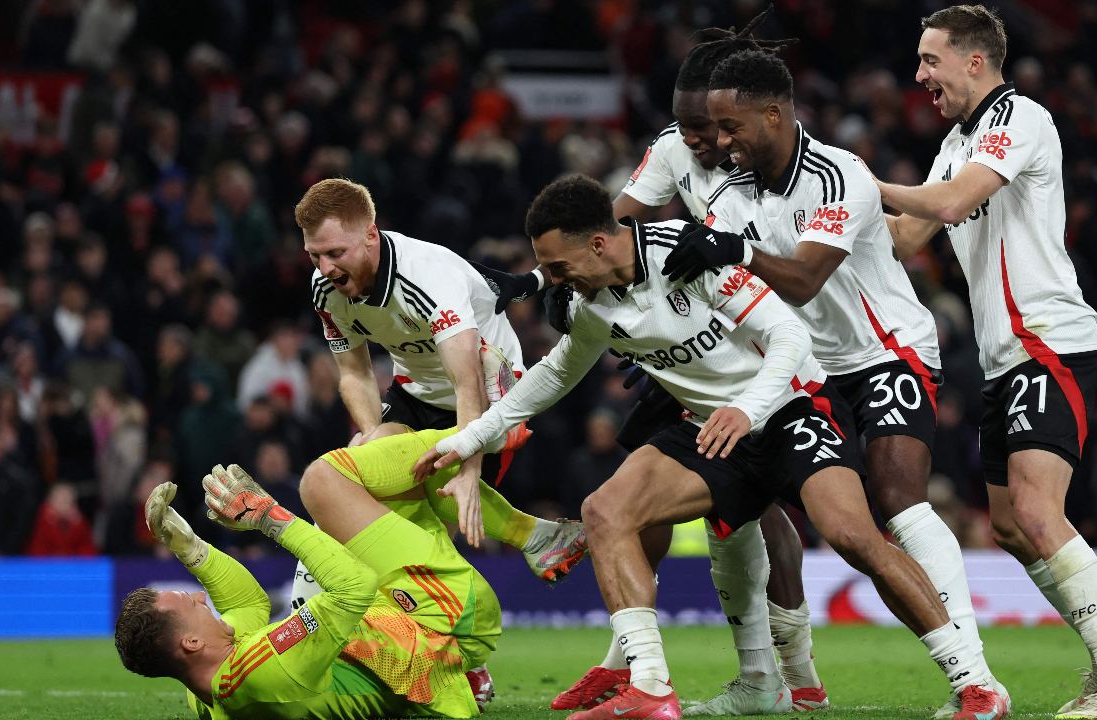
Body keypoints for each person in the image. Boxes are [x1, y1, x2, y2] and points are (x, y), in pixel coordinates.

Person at [418, 175, 1009, 720]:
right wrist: (467, 438)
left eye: (557, 264)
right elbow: (554, 375)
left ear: (599, 243)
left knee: (855, 537)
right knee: (606, 511)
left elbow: (788, 335)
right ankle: (649, 686)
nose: (553, 277)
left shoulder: (685, 254)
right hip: (709, 430)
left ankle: (975, 682)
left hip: (787, 409)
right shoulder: (588, 303)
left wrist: (746, 409)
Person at [475, 14, 828, 713]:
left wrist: (724, 253)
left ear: (739, 117)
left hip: (763, 337)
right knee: (635, 497)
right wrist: (555, 283)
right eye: (691, 128)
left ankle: (792, 670)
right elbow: (604, 225)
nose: (703, 143)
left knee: (767, 513)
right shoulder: (672, 151)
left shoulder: (775, 162)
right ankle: (631, 663)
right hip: (681, 342)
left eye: (710, 129)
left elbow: (794, 269)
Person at [654, 38, 995, 719]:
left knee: (897, 502)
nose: (719, 142)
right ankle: (777, 679)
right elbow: (710, 273)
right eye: (714, 128)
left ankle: (975, 675)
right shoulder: (730, 194)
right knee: (738, 507)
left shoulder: (841, 175)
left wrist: (734, 248)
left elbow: (806, 280)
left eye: (731, 126)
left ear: (774, 114)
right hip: (802, 370)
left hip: (885, 353)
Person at [870, 5, 1097, 717]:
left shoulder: (1019, 117)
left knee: (1034, 508)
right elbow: (908, 236)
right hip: (1004, 359)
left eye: (929, 60)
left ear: (975, 60)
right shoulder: (955, 142)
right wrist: (830, 198)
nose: (919, 75)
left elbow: (958, 199)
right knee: (1004, 524)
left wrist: (864, 179)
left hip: (1047, 340)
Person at [294, 177, 586, 608]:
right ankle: (539, 536)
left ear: (371, 236)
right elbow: (354, 373)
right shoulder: (326, 288)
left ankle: (471, 652)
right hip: (415, 389)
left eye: (336, 253)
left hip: (487, 394)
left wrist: (469, 471)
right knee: (377, 490)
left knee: (425, 534)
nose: (326, 268)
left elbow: (467, 380)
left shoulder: (427, 278)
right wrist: (375, 441)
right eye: (315, 255)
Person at [115, 448, 500, 719]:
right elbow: (354, 587)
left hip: (403, 626)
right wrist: (268, 515)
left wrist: (192, 549)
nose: (202, 596)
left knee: (377, 454)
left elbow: (249, 606)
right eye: (191, 603)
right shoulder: (264, 669)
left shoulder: (205, 689)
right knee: (327, 479)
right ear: (191, 643)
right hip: (445, 624)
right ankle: (528, 529)